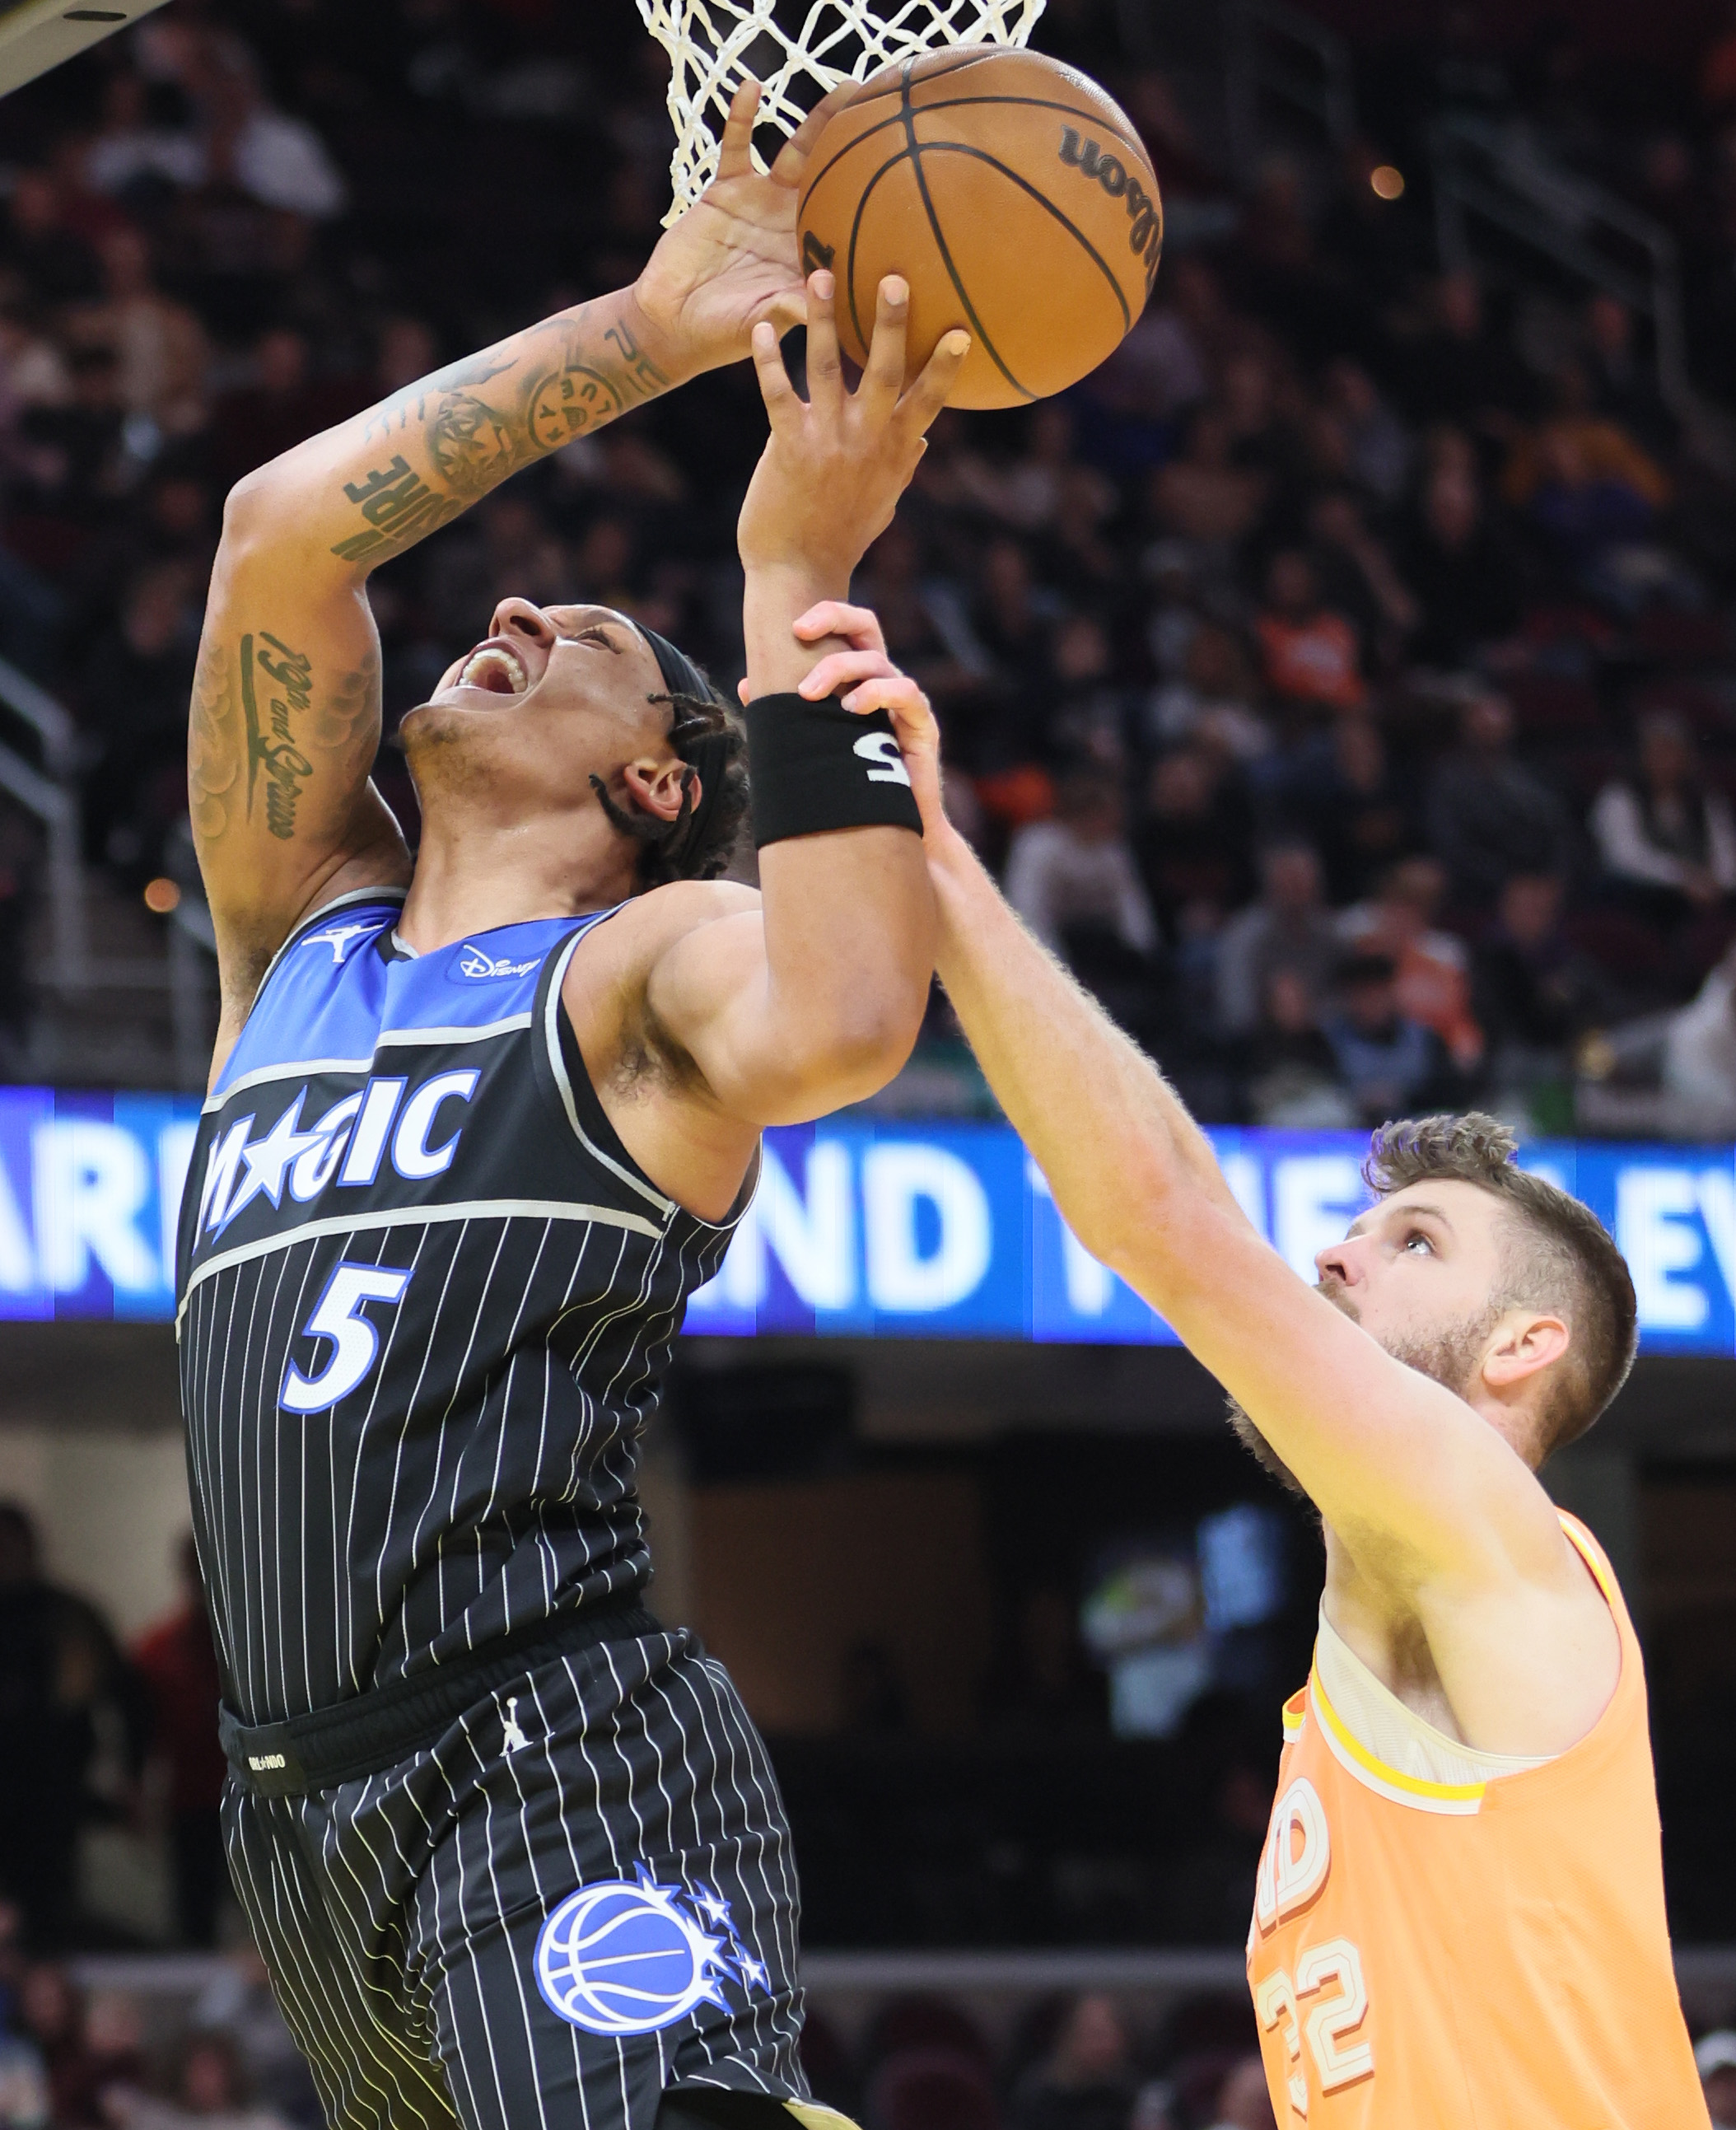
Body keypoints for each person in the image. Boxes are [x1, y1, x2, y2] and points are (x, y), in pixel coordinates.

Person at [178, 80, 962, 2130]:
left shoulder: (638, 973)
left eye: (586, 639)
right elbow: (283, 532)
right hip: (297, 1822)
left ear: (658, 787)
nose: (508, 612)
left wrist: (793, 574)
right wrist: (651, 323)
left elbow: (853, 1016)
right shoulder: (289, 944)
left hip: (557, 1747)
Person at [777, 614, 1707, 2124]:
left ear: (1518, 1347)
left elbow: (1167, 1219)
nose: (1335, 1255)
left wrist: (936, 860)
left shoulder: (1483, 1516)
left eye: (1409, 1245)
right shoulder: (1395, 1640)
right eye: (1355, 1226)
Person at [132, 1536, 228, 1947]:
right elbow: (143, 1738)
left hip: (260, 1800)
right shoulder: (156, 1651)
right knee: (194, 1922)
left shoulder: (256, 1648)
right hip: (191, 1805)